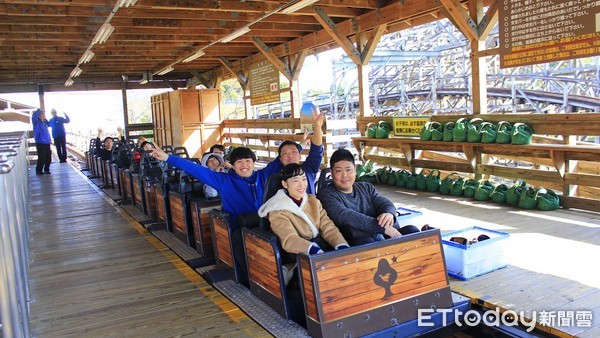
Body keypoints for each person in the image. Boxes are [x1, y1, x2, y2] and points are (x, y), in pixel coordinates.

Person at [150, 145, 283, 286]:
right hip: (239, 229)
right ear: (232, 165)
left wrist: (301, 145)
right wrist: (168, 158)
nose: (244, 165)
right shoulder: (223, 180)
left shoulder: (262, 176)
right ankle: (250, 281)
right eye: (239, 162)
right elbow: (195, 169)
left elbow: (284, 158)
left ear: (253, 162)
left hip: (263, 227)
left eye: (247, 161)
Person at [317, 148, 419, 246]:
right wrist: (381, 228)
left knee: (412, 231)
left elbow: (384, 203)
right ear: (331, 173)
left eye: (348, 170)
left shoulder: (366, 188)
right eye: (339, 171)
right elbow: (347, 217)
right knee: (366, 241)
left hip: (381, 235)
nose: (344, 175)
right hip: (356, 243)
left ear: (355, 170)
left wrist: (389, 213)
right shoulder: (326, 195)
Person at [258, 163, 348, 255]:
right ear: (285, 184)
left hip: (320, 247)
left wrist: (340, 244)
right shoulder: (277, 209)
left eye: (304, 179)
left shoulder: (313, 201)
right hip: (298, 255)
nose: (302, 185)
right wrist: (312, 249)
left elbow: (327, 226)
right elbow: (289, 239)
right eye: (295, 180)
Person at [276, 105, 324, 194]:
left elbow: (316, 150)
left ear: (299, 155)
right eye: (285, 153)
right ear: (280, 159)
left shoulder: (308, 169)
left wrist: (317, 126)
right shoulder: (275, 177)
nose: (290, 156)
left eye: (294, 152)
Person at [32, 109, 52, 175]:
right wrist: (38, 111)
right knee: (42, 157)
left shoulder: (44, 122)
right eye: (43, 114)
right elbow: (34, 117)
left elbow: (49, 125)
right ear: (39, 115)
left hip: (46, 142)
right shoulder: (36, 122)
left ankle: (46, 169)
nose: (44, 115)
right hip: (40, 142)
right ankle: (39, 170)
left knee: (48, 157)